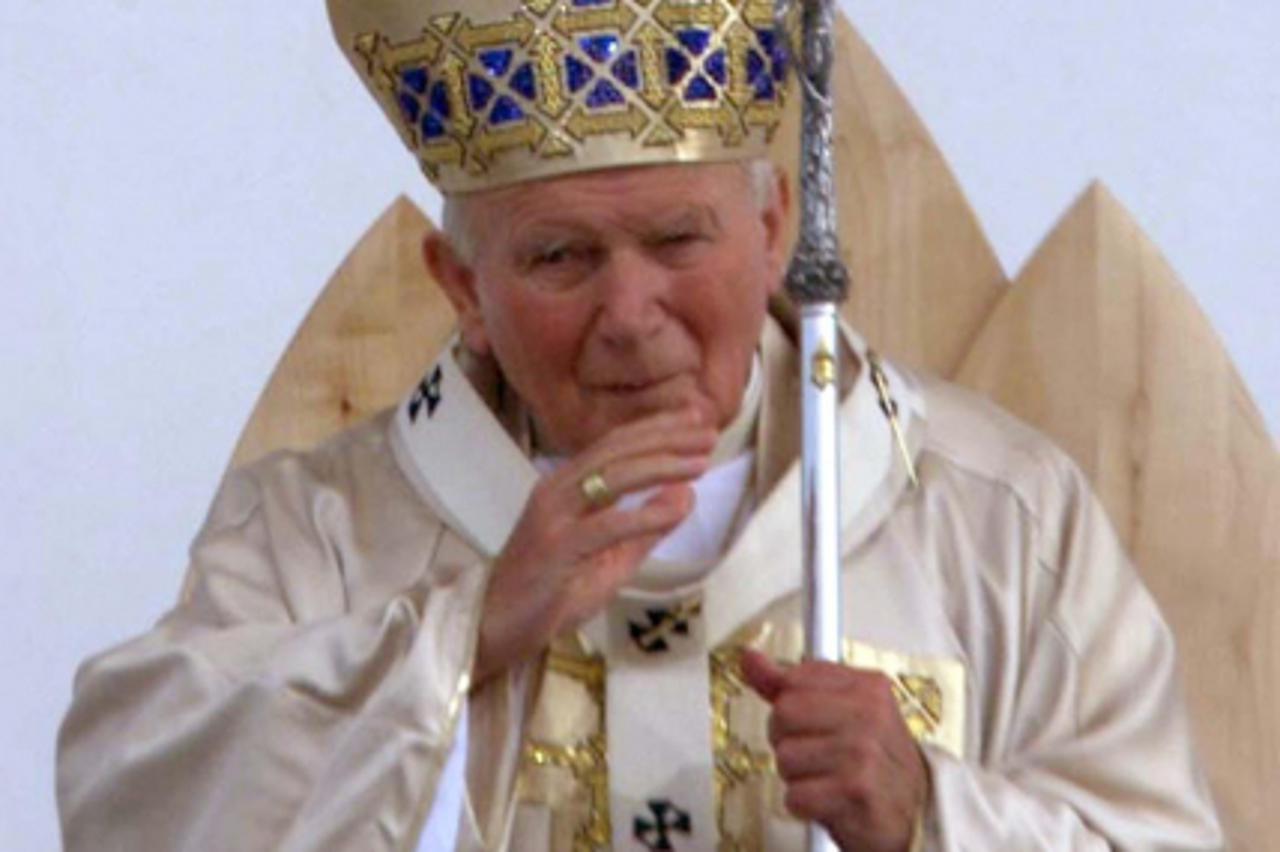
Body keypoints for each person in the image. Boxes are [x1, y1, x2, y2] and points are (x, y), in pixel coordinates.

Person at [57, 1, 1223, 849]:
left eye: (677, 242)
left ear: (770, 231)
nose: (629, 315)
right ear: (460, 285)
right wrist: (462, 639)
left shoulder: (992, 516)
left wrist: (932, 813)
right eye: (560, 257)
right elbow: (131, 806)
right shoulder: (315, 534)